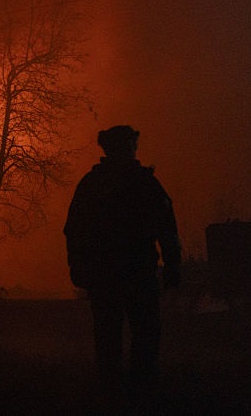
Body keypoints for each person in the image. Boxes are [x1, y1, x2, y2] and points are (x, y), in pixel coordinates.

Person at [64, 125, 181, 407]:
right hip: (135, 271)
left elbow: (74, 229)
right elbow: (166, 226)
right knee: (140, 333)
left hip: (109, 274)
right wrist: (172, 265)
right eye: (130, 145)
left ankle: (114, 391)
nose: (132, 150)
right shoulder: (144, 184)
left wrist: (78, 268)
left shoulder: (93, 185)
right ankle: (137, 390)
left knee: (112, 335)